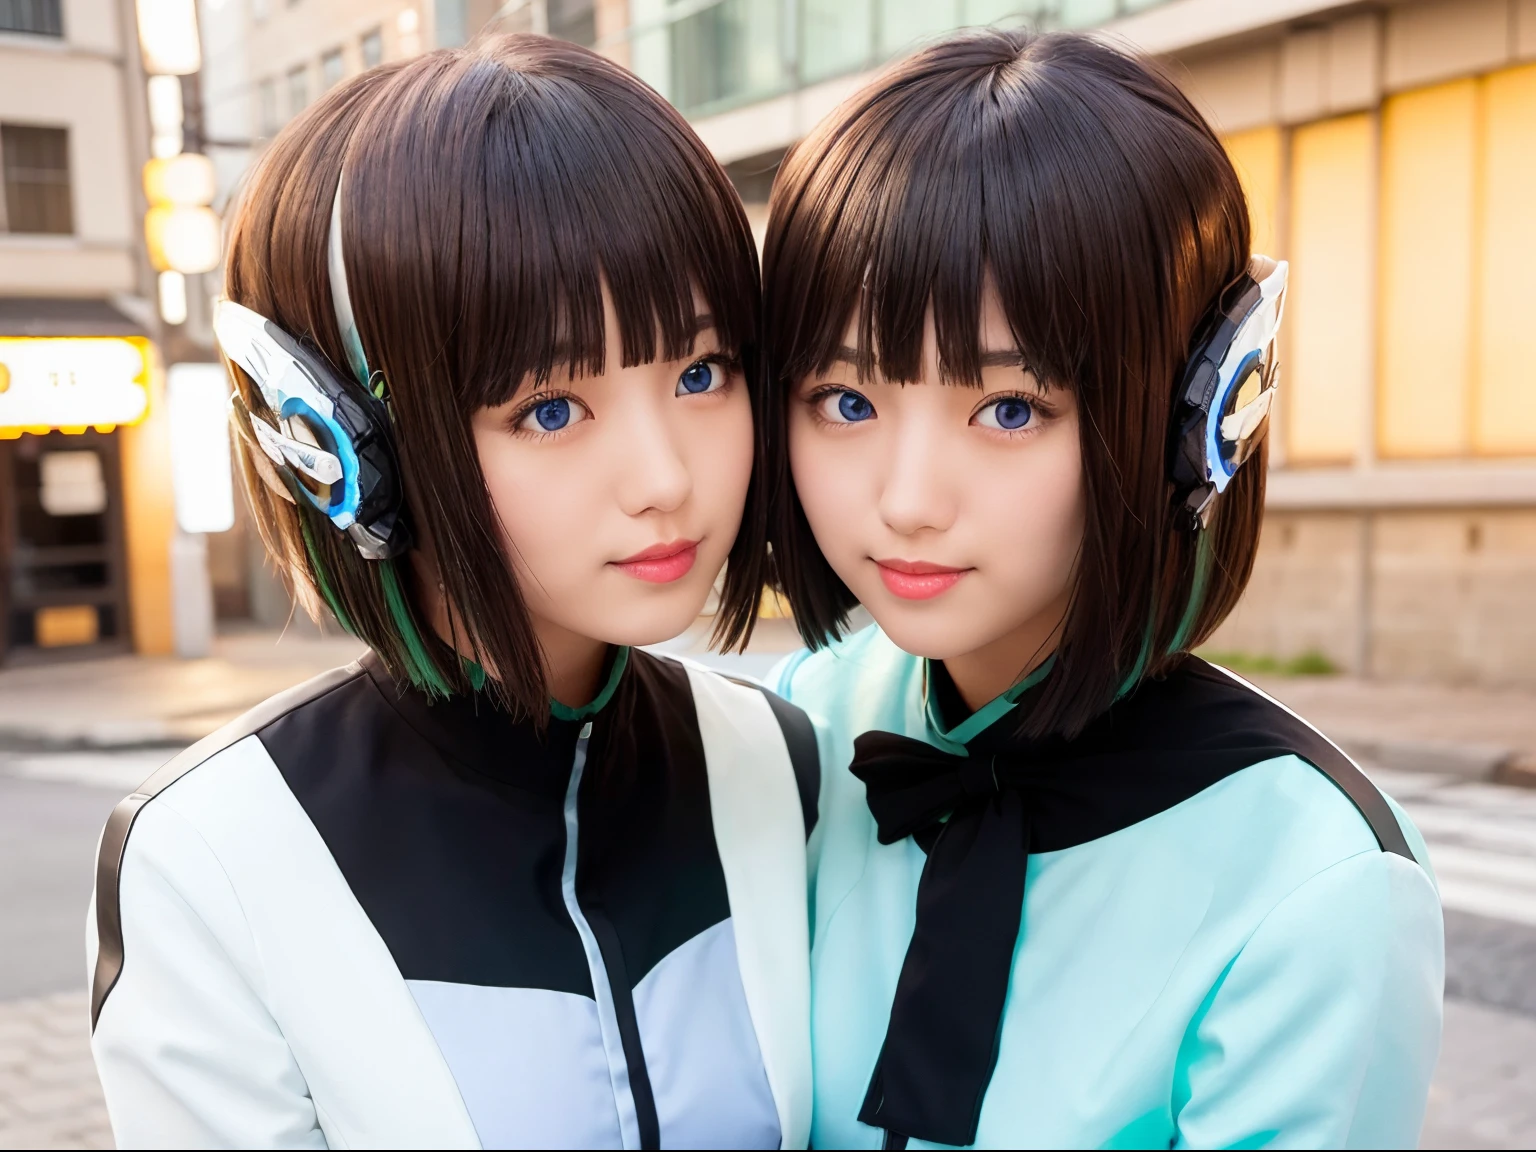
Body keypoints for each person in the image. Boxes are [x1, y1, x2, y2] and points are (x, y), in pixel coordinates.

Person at [88, 35, 814, 1150]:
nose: (668, 476)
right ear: (340, 446)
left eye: (700, 372)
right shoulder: (218, 854)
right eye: (551, 409)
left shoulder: (778, 758)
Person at [761, 29, 1443, 1150]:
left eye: (1010, 409)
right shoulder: (799, 727)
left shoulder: (1318, 884)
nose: (907, 499)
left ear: (1200, 425)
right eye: (845, 398)